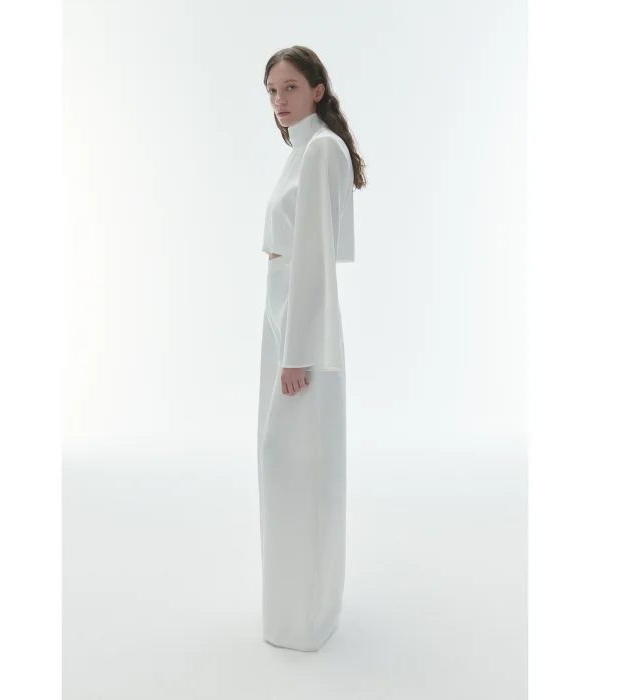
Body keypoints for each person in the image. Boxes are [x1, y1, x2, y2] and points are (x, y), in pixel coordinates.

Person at [256, 46, 366, 652]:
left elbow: (318, 258)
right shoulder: (304, 149)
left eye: (291, 87)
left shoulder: (321, 149)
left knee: (296, 462)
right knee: (284, 463)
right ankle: (295, 613)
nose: (280, 100)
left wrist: (298, 352)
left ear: (318, 89)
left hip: (301, 322)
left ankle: (305, 618)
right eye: (272, 90)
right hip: (283, 312)